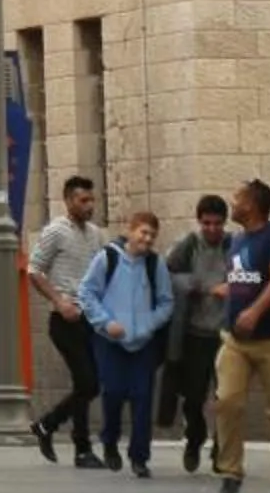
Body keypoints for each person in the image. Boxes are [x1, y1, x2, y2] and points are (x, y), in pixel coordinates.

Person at [210, 176, 270, 493]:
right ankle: (230, 472)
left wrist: (255, 312)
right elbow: (243, 277)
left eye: (237, 198)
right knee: (227, 402)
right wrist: (228, 291)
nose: (232, 203)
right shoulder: (237, 241)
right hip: (235, 341)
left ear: (252, 204)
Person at [78, 209, 175, 477]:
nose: (147, 239)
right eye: (143, 232)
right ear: (130, 230)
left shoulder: (156, 265)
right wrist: (106, 322)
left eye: (152, 235)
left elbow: (167, 303)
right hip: (110, 340)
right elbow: (87, 293)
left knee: (143, 398)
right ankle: (109, 440)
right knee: (114, 392)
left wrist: (148, 325)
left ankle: (139, 457)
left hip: (143, 342)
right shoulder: (107, 258)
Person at [27, 174, 107, 469]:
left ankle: (71, 441)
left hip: (90, 318)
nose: (89, 206)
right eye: (83, 200)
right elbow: (34, 270)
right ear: (69, 201)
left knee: (86, 384)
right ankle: (56, 430)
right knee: (88, 382)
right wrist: (59, 301)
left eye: (91, 200)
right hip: (64, 320)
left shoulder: (96, 234)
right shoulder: (55, 231)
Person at [162, 193, 234, 474]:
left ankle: (221, 449)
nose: (212, 230)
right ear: (199, 222)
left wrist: (233, 287)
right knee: (193, 396)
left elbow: (252, 276)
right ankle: (195, 437)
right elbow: (167, 274)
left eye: (217, 224)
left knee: (225, 395)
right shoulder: (189, 246)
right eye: (207, 224)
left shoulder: (234, 246)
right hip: (194, 332)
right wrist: (201, 286)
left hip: (226, 334)